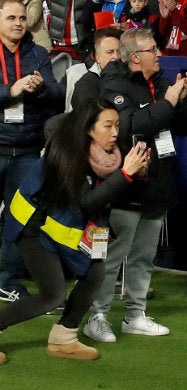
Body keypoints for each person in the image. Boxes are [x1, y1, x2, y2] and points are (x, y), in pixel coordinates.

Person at [0, 99, 150, 364]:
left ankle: (64, 337)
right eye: (107, 126)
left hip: (68, 228)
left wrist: (137, 175)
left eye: (117, 125)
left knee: (95, 272)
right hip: (33, 225)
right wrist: (126, 174)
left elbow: (110, 195)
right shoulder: (66, 152)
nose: (115, 132)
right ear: (89, 129)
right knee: (52, 294)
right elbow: (87, 201)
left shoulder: (112, 153)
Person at [83, 27, 187, 343]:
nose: (159, 54)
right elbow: (131, 126)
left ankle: (135, 315)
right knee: (110, 258)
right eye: (153, 50)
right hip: (124, 186)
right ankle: (98, 315)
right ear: (135, 56)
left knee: (144, 257)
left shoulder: (160, 83)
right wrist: (169, 102)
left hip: (158, 182)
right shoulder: (114, 83)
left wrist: (182, 101)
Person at [0, 0, 64, 303]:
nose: (18, 23)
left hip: (26, 150)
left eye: (22, 17)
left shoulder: (37, 53)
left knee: (19, 219)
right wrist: (10, 91)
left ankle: (7, 280)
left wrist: (40, 87)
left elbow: (58, 94)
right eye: (11, 17)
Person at [64, 26, 122, 112]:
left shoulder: (129, 76)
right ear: (97, 57)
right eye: (110, 52)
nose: (116, 57)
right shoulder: (87, 84)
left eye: (119, 52)